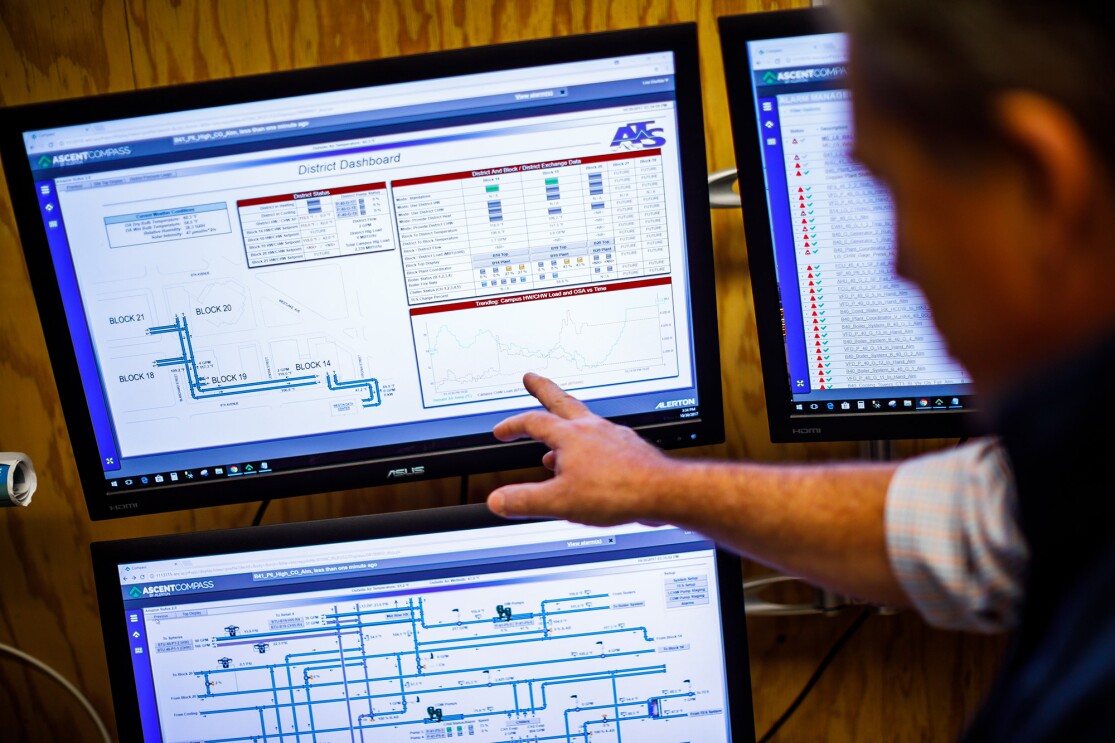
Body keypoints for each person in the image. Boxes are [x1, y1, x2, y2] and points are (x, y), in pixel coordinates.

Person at [488, 0, 1115, 738]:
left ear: (1040, 181)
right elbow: (971, 522)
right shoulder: (1083, 465)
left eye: (893, 192)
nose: (898, 265)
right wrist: (653, 484)